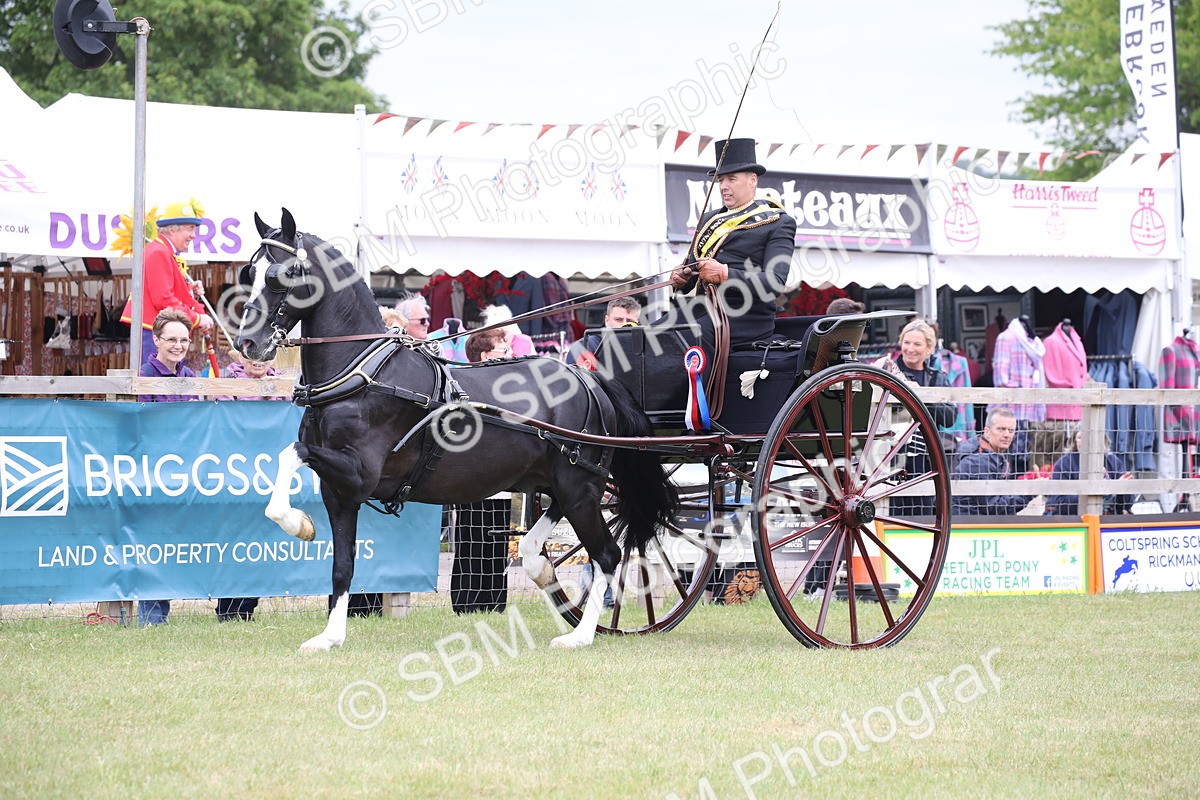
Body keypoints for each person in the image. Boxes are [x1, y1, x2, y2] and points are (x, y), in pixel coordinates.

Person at [667, 138, 797, 350]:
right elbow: (692, 273)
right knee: (648, 335)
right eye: (720, 180)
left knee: (680, 340)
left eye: (731, 179)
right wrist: (681, 278)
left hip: (746, 317)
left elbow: (774, 283)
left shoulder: (777, 222)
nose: (723, 187)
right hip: (704, 308)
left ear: (752, 180)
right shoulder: (710, 219)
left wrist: (724, 274)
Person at [136, 309, 199, 624]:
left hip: (187, 472)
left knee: (176, 544)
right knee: (153, 543)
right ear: (157, 340)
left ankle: (163, 611)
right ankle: (151, 615)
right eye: (171, 339)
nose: (178, 345)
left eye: (184, 340)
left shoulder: (192, 377)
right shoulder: (144, 376)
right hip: (153, 473)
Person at [213, 351, 286, 621]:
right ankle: (227, 609)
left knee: (262, 542)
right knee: (234, 540)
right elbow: (224, 423)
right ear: (241, 356)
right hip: (237, 475)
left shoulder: (283, 387)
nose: (259, 359)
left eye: (267, 354)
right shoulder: (228, 383)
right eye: (252, 353)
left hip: (271, 475)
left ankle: (247, 608)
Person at [449, 328, 511, 614]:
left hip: (502, 476)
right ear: (485, 355)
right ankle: (466, 603)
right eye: (504, 350)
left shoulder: (508, 387)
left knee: (498, 542)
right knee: (471, 541)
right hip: (471, 477)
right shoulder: (464, 387)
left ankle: (495, 603)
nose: (510, 354)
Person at [872, 319, 956, 517]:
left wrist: (923, 397)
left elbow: (950, 418)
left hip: (925, 457)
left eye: (917, 344)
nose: (910, 349)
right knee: (892, 510)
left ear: (929, 348)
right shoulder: (887, 370)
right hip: (890, 454)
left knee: (923, 511)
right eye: (906, 342)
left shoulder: (937, 378)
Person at [121, 200, 213, 366]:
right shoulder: (159, 252)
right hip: (155, 331)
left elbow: (163, 291)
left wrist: (189, 290)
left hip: (158, 330)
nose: (194, 235)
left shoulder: (162, 250)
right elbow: (163, 300)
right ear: (172, 229)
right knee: (156, 380)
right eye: (190, 228)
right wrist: (197, 318)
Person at [952, 407, 1033, 516]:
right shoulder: (978, 461)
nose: (1007, 435)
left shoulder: (987, 454)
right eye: (1001, 429)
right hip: (971, 524)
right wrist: (1029, 492)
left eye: (1011, 430)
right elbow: (995, 508)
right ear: (987, 432)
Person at [1044, 425, 1134, 516]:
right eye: (1080, 437)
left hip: (1107, 519)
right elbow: (1059, 504)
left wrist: (1119, 488)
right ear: (1074, 441)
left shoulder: (1113, 461)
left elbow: (1128, 504)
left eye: (1090, 436)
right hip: (1072, 519)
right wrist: (1093, 490)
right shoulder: (1064, 463)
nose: (1085, 441)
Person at [575, 297, 642, 368]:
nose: (624, 325)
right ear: (607, 321)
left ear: (637, 323)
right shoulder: (586, 346)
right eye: (618, 320)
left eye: (630, 321)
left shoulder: (643, 349)